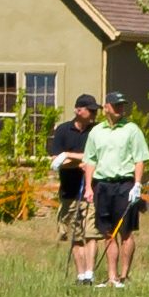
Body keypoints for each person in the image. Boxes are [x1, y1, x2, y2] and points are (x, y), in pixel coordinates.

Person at [82, 92, 149, 287]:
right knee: (108, 232)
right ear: (106, 107)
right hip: (103, 185)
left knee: (126, 231)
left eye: (122, 105)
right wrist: (89, 187)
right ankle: (112, 277)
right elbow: (90, 161)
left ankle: (124, 276)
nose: (120, 108)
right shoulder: (96, 132)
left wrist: (137, 184)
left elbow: (140, 159)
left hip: (125, 184)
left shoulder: (132, 130)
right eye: (116, 105)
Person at [52, 95, 102, 281]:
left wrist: (70, 155)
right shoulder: (63, 130)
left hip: (91, 191)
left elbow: (97, 156)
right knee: (75, 235)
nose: (94, 114)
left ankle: (90, 273)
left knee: (91, 234)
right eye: (91, 110)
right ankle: (81, 275)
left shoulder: (97, 130)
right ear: (79, 110)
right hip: (69, 191)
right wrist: (79, 161)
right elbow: (56, 162)